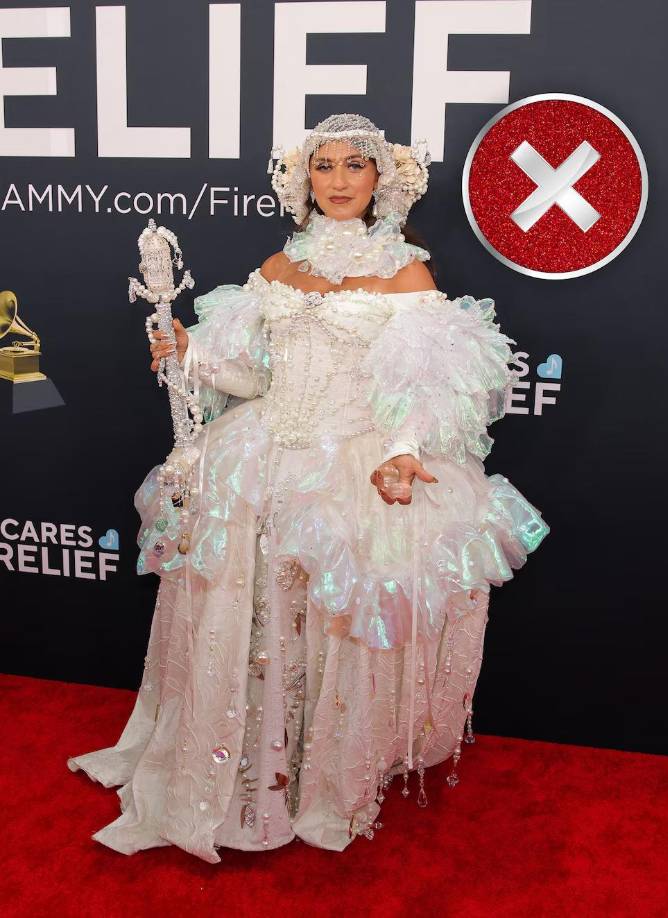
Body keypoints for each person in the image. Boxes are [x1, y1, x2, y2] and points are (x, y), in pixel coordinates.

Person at [67, 114, 549, 863]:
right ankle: (243, 765)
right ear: (304, 180)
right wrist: (192, 355)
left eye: (355, 166)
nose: (339, 181)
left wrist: (401, 451)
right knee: (255, 620)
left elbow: (422, 387)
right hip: (258, 454)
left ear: (381, 179)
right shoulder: (279, 269)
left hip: (351, 463)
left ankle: (318, 778)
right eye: (323, 166)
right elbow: (254, 378)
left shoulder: (407, 273)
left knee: (329, 623)